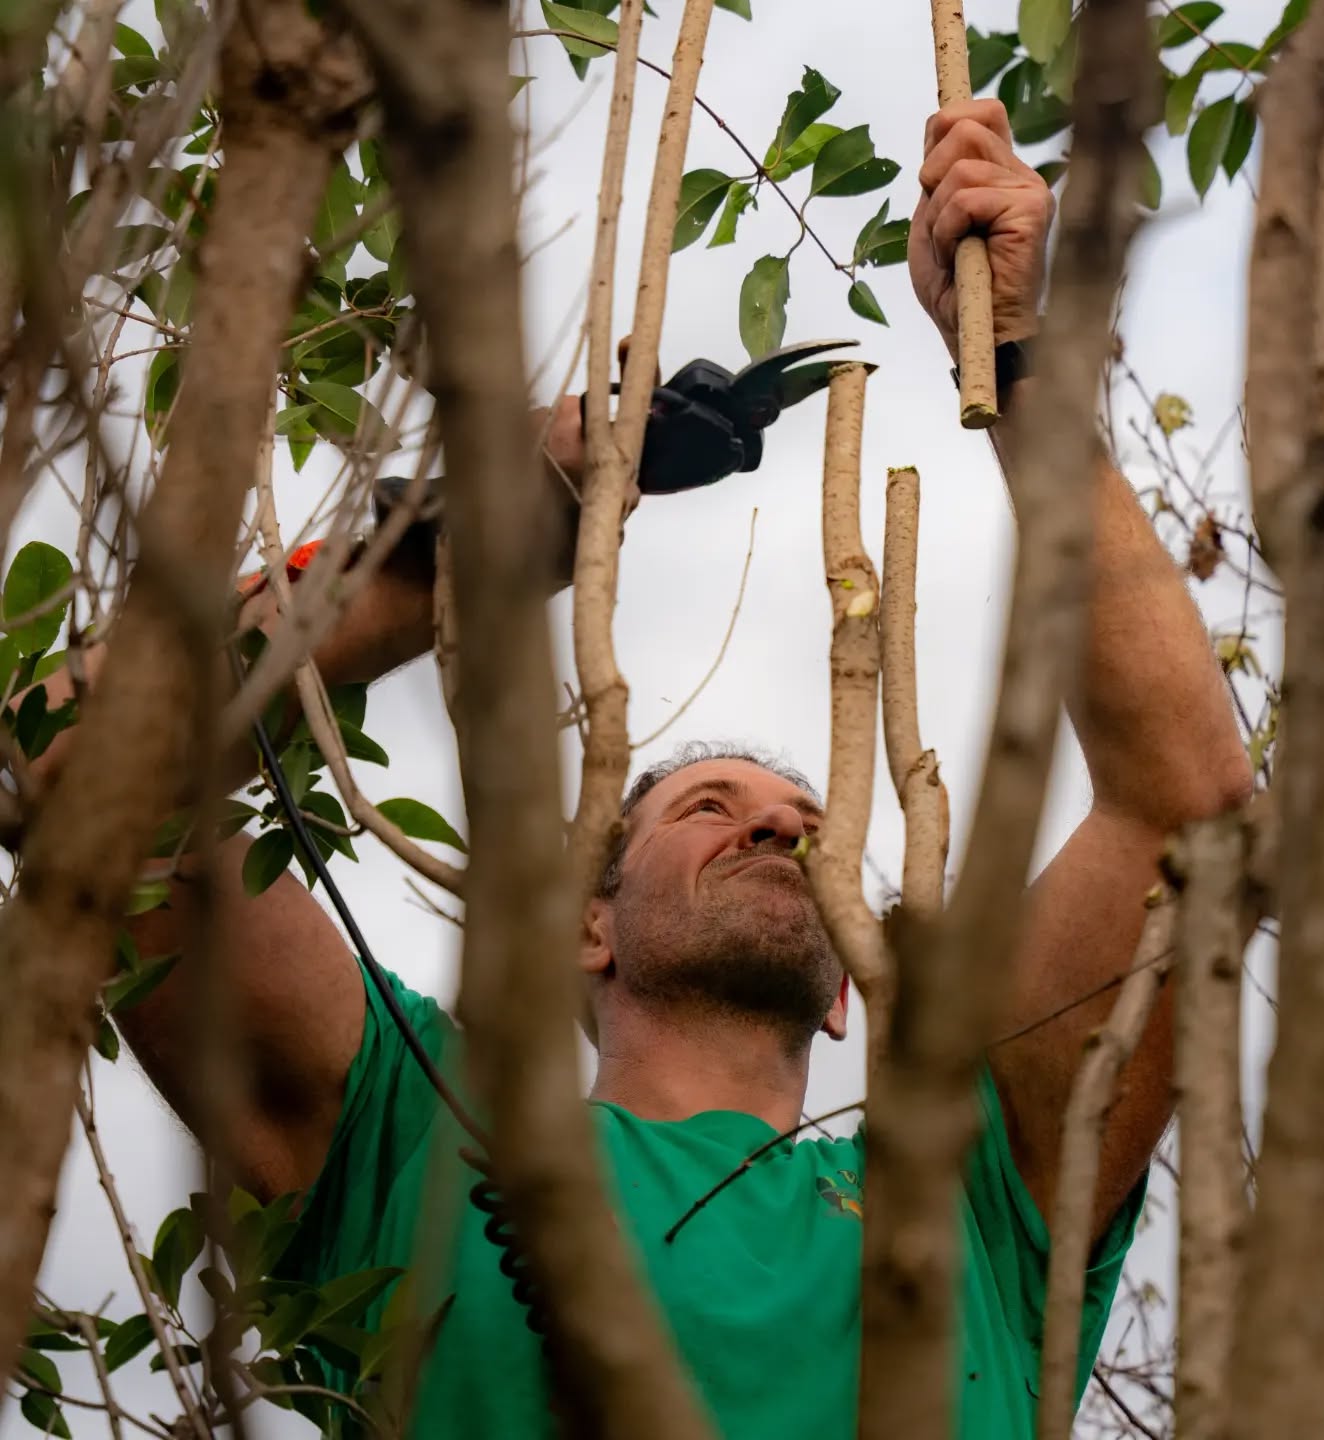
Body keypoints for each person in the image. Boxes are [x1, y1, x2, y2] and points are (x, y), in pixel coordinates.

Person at [39, 100, 1252, 1436]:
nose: (779, 827)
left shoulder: (967, 1196)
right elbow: (75, 763)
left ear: (849, 988)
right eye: (708, 805)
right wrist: (504, 516)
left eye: (807, 821)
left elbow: (1188, 812)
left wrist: (1024, 357)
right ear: (585, 925)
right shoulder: (419, 1137)